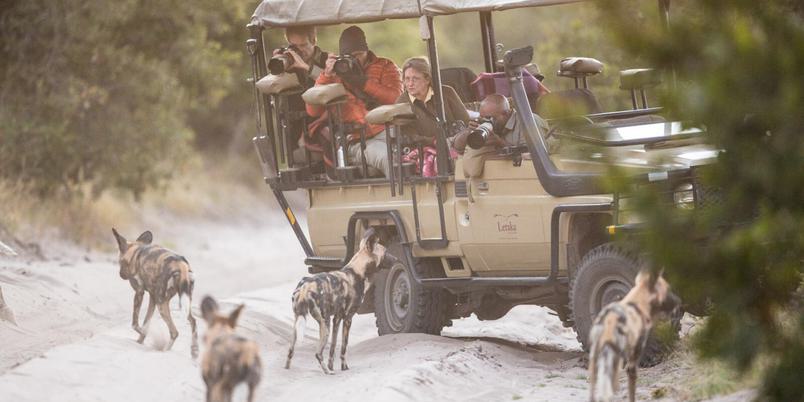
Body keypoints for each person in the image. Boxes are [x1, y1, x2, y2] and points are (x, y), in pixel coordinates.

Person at [305, 26, 403, 177]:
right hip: (357, 140)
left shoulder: (385, 66)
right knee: (387, 156)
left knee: (413, 149)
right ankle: (402, 199)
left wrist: (363, 82)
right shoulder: (335, 73)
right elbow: (313, 111)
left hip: (388, 130)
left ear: (367, 51)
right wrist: (326, 75)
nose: (355, 59)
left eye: (359, 54)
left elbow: (396, 98)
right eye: (350, 56)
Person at [397, 57, 470, 176]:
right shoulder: (401, 104)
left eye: (415, 79)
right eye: (407, 79)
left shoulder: (446, 93)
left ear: (427, 79)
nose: (410, 84)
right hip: (425, 150)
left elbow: (465, 121)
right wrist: (434, 141)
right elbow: (409, 137)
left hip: (456, 143)